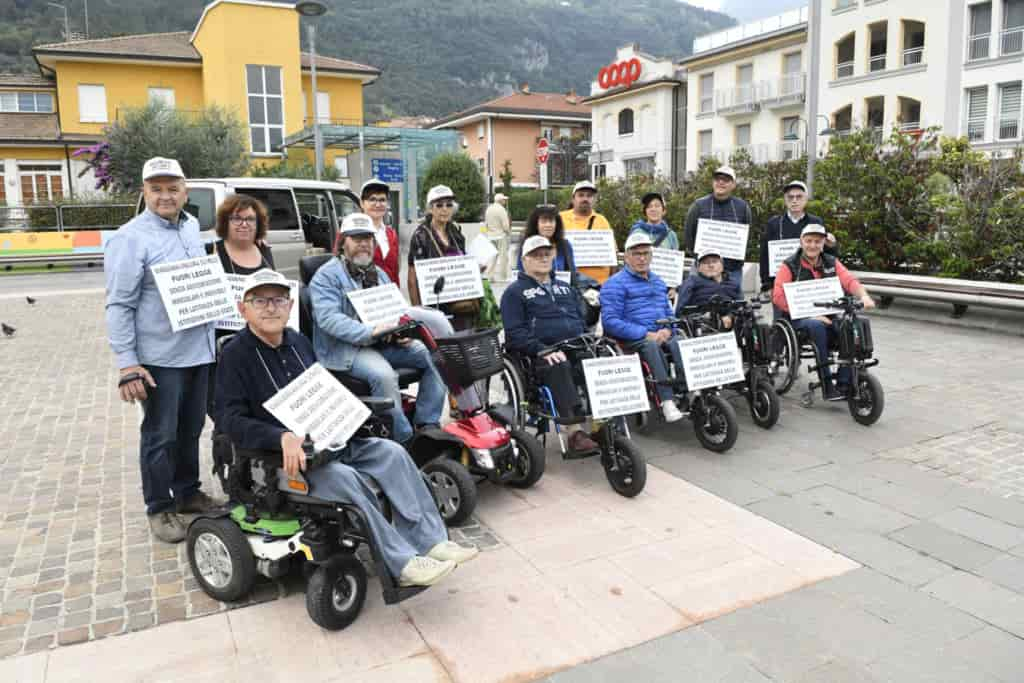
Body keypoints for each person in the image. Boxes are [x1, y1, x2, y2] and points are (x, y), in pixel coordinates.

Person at [216, 268, 477, 587]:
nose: (271, 307)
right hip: (286, 459)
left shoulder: (298, 341)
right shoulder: (235, 355)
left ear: (290, 305)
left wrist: (351, 412)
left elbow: (322, 387)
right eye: (260, 300)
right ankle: (402, 564)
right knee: (346, 479)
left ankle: (431, 541)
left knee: (393, 453)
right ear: (243, 309)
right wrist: (280, 437)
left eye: (279, 299)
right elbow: (230, 420)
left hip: (331, 439)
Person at [105, 156, 221, 544]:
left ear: (185, 191)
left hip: (198, 352)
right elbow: (119, 305)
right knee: (160, 435)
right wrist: (128, 364)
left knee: (190, 430)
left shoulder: (191, 228)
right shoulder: (130, 237)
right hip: (160, 359)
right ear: (145, 192)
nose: (165, 196)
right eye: (157, 189)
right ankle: (159, 507)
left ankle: (187, 493)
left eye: (173, 188)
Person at [311, 213, 447, 445]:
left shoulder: (380, 274)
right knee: (383, 375)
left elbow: (397, 311)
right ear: (343, 243)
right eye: (357, 239)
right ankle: (404, 439)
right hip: (345, 350)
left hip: (382, 343)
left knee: (436, 356)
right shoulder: (326, 277)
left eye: (368, 239)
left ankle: (426, 423)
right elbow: (329, 320)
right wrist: (371, 331)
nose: (364, 244)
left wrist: (401, 332)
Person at [501, 236, 599, 454]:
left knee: (597, 360)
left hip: (574, 345)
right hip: (538, 353)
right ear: (524, 260)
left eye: (547, 254)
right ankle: (574, 432)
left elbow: (580, 320)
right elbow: (515, 334)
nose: (543, 258)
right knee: (559, 364)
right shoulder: (514, 293)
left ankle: (600, 423)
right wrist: (542, 350)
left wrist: (587, 338)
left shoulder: (565, 288)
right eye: (536, 255)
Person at [773, 224, 876, 400]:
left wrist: (864, 296)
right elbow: (778, 296)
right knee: (817, 326)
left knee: (852, 325)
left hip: (828, 314)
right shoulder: (789, 265)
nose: (813, 245)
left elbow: (849, 281)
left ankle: (844, 381)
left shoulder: (830, 261)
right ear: (801, 242)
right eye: (809, 241)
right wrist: (809, 313)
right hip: (799, 317)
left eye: (817, 241)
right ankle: (827, 385)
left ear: (823, 243)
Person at [600, 232, 685, 423]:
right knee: (651, 346)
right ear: (626, 257)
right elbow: (610, 322)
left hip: (662, 332)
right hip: (635, 337)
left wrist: (668, 329)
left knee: (681, 341)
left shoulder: (657, 280)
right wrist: (646, 333)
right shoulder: (614, 284)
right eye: (636, 254)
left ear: (651, 255)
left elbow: (669, 313)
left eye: (645, 253)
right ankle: (667, 400)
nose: (641, 258)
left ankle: (688, 388)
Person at [206, 194, 276, 415]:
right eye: (237, 219)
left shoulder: (264, 250)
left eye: (250, 219)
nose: (244, 224)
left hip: (263, 342)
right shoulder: (213, 252)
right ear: (226, 222)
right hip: (228, 346)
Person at [408, 185, 478, 331]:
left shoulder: (455, 232)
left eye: (449, 205)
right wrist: (418, 314)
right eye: (439, 205)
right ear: (430, 209)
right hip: (435, 305)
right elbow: (412, 279)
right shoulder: (420, 235)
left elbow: (463, 264)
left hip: (460, 304)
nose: (444, 209)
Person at [759, 180, 835, 296]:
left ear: (806, 199)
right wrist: (767, 285)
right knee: (781, 315)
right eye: (790, 197)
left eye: (799, 197)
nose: (794, 200)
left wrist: (832, 245)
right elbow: (765, 256)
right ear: (785, 200)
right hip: (781, 285)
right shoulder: (773, 223)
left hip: (809, 285)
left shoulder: (816, 222)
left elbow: (825, 254)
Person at [683, 165, 752, 283]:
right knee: (698, 301)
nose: (721, 182)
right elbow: (689, 237)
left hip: (732, 271)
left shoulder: (743, 207)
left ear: (733, 184)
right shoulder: (698, 206)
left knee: (735, 301)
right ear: (713, 183)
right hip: (703, 271)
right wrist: (702, 260)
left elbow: (746, 238)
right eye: (717, 179)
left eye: (726, 180)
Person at [560, 180, 615, 284]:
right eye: (581, 195)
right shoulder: (560, 218)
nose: (585, 199)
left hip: (600, 283)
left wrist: (612, 282)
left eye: (589, 196)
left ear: (594, 200)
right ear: (573, 199)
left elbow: (612, 254)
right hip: (571, 283)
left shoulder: (602, 221)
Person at [676, 250, 743, 329]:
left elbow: (741, 305)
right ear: (698, 267)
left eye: (714, 261)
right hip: (702, 327)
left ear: (722, 265)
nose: (711, 265)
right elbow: (680, 312)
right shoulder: (692, 282)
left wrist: (730, 316)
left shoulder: (733, 283)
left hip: (732, 326)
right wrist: (702, 318)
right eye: (705, 263)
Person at [515, 204, 578, 282]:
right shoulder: (527, 245)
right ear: (536, 224)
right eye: (544, 221)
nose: (548, 225)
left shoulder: (565, 245)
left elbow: (573, 273)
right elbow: (520, 273)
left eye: (551, 221)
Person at [484, 192, 512, 282]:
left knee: (492, 257)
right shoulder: (501, 210)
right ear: (500, 201)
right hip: (500, 236)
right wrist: (508, 232)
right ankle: (503, 276)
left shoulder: (489, 209)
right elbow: (505, 225)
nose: (505, 201)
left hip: (490, 236)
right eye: (504, 200)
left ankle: (489, 275)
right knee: (503, 257)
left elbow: (486, 224)